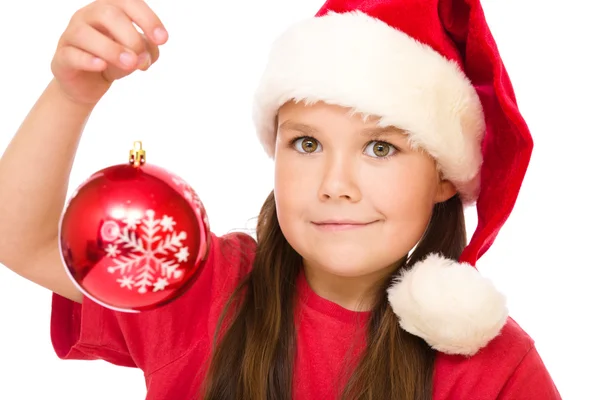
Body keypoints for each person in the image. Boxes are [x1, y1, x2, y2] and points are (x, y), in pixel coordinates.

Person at [0, 0, 562, 399]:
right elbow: (21, 241)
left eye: (382, 147)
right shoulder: (203, 287)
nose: (334, 183)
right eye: (308, 143)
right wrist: (71, 94)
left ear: (444, 176)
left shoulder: (495, 370)